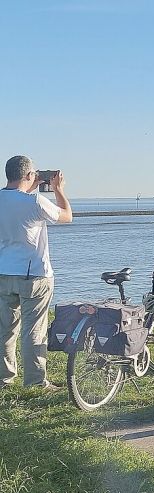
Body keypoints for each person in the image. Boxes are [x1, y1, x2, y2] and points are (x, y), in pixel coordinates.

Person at [0, 156, 73, 390]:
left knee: (5, 330)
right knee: (33, 331)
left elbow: (14, 200)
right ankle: (35, 382)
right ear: (29, 176)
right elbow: (66, 216)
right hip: (34, 274)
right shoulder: (35, 202)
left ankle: (4, 378)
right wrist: (58, 189)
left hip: (4, 272)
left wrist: (31, 183)